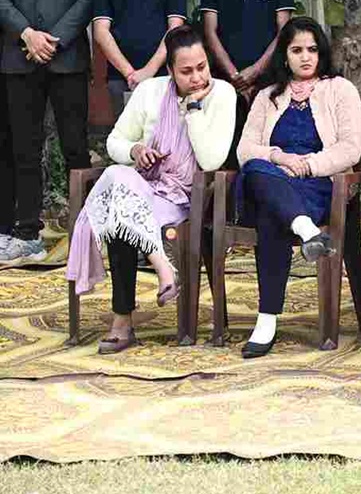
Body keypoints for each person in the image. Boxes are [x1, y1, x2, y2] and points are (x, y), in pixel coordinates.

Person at [65, 25, 236, 353]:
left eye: (202, 67)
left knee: (118, 211)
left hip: (187, 197)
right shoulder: (150, 91)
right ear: (170, 70)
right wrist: (136, 151)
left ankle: (122, 321)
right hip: (146, 187)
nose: (197, 78)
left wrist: (194, 109)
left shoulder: (222, 95)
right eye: (186, 71)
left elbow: (211, 160)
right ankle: (162, 270)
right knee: (117, 179)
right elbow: (115, 141)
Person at [234, 16, 361, 358]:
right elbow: (245, 150)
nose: (306, 57)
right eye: (297, 50)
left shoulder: (340, 90)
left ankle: (266, 321)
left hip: (318, 185)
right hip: (271, 178)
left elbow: (351, 149)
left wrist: (307, 165)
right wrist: (280, 157)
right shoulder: (267, 96)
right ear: (285, 55)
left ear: (321, 53)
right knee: (258, 169)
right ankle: (308, 231)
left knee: (272, 212)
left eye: (312, 49)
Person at [0, 0, 102, 264]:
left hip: (67, 58)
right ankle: (27, 233)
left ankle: (87, 232)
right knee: (23, 148)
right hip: (19, 55)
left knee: (75, 148)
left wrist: (52, 40)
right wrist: (27, 33)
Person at [199, 0, 295, 164]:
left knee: (264, 148)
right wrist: (234, 76)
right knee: (225, 152)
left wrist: (254, 72)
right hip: (223, 81)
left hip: (267, 80)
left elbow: (284, 32)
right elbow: (209, 30)